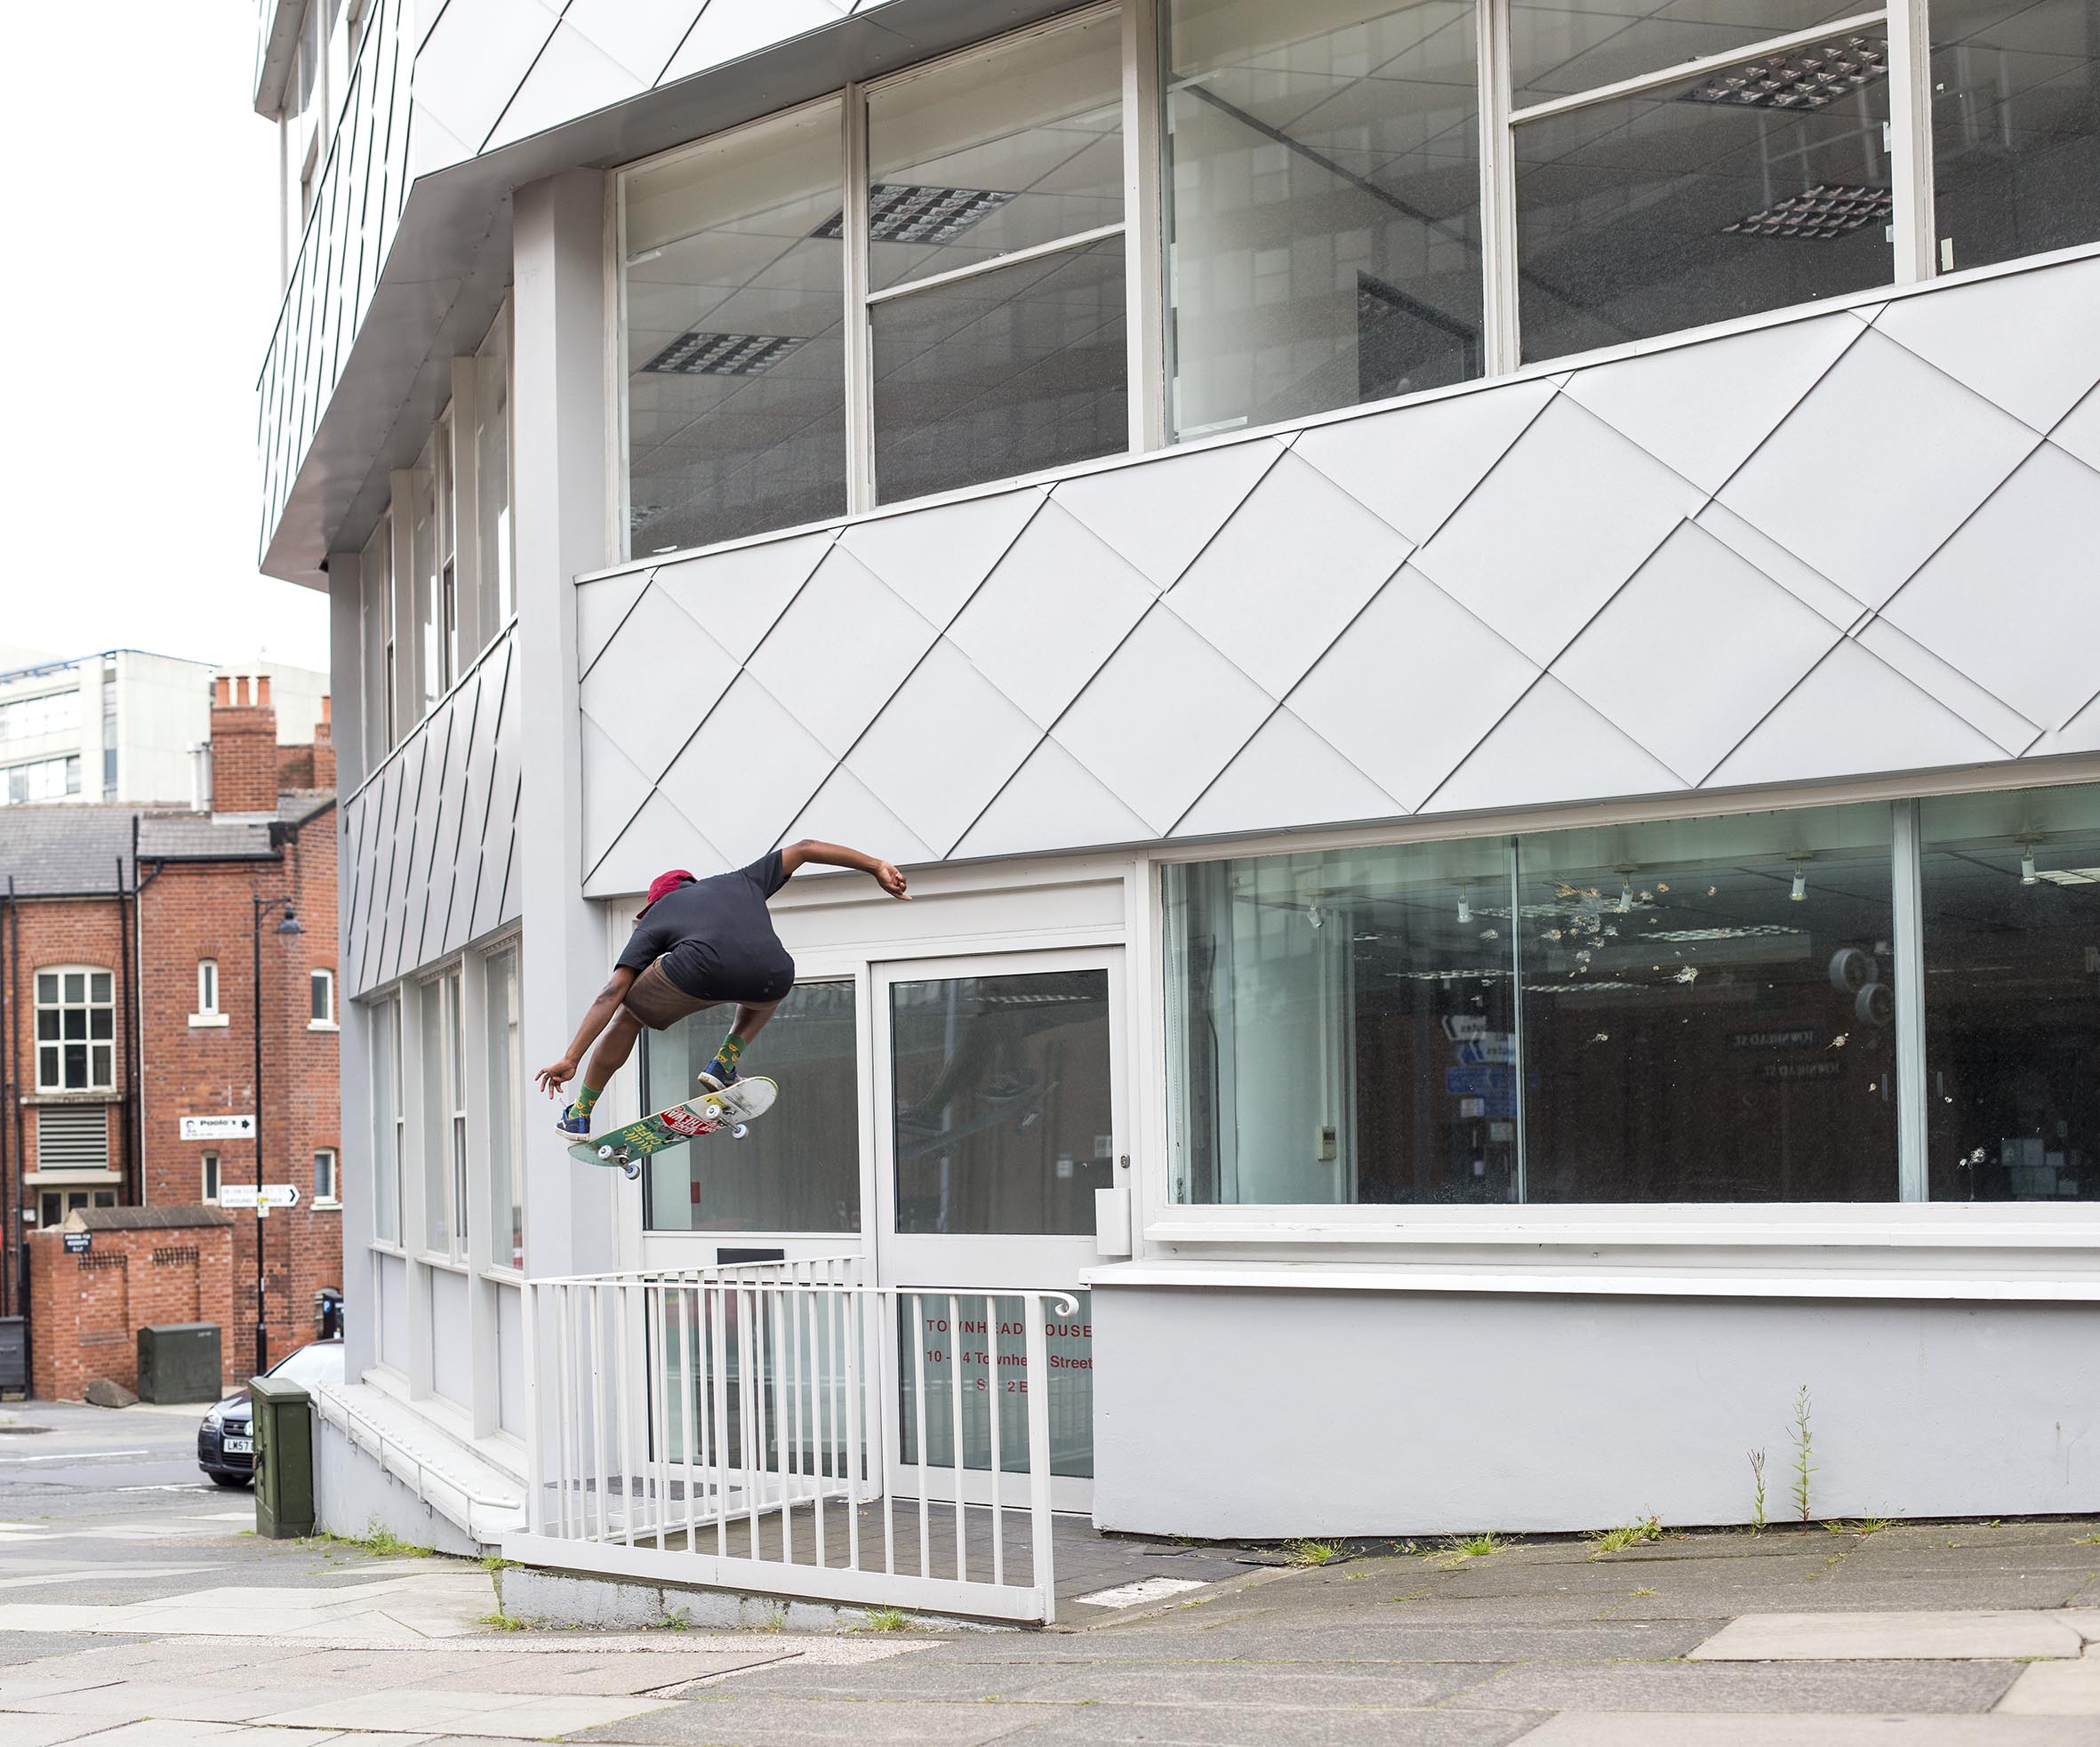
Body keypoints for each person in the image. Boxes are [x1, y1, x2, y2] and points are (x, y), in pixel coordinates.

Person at [536, 840, 908, 1135]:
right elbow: (806, 848)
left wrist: (571, 1057)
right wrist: (876, 865)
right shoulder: (742, 881)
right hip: (774, 974)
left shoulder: (660, 915)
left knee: (629, 1012)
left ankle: (581, 1113)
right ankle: (725, 1062)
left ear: (657, 903)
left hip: (696, 972)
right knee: (766, 992)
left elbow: (612, 991)